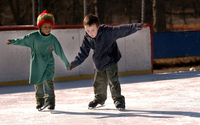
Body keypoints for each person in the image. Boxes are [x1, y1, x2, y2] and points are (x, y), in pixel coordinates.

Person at [67, 13, 147, 109]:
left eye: (93, 30)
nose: (90, 33)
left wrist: (137, 26)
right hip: (99, 62)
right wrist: (73, 64)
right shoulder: (87, 38)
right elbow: (83, 53)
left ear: (98, 27)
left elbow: (121, 30)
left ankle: (118, 100)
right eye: (87, 30)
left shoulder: (107, 32)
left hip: (111, 60)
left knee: (113, 81)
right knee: (98, 82)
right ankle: (99, 99)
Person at [6, 10, 70, 110]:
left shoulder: (52, 39)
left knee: (48, 81)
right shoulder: (33, 37)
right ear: (40, 27)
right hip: (36, 63)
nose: (48, 29)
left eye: (50, 27)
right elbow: (23, 40)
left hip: (49, 62)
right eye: (45, 27)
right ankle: (40, 101)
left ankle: (50, 101)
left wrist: (66, 63)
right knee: (38, 82)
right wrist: (13, 41)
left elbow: (60, 52)